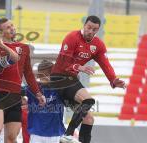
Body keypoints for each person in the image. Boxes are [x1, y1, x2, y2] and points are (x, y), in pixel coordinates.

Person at [51, 15, 126, 143]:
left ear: (98, 30)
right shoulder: (72, 37)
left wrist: (113, 80)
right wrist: (79, 67)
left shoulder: (98, 45)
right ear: (84, 25)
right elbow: (63, 64)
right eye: (89, 27)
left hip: (72, 80)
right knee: (88, 100)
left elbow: (105, 64)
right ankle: (68, 134)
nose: (90, 31)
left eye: (94, 29)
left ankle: (72, 138)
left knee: (89, 119)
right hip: (60, 78)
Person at [0, 17, 46, 143]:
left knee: (11, 137)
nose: (12, 28)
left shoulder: (24, 48)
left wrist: (37, 93)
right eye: (8, 27)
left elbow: (28, 73)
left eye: (12, 25)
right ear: (1, 32)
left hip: (15, 96)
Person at [23, 60, 65, 143]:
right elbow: (16, 90)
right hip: (37, 133)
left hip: (55, 133)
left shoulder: (60, 87)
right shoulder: (31, 87)